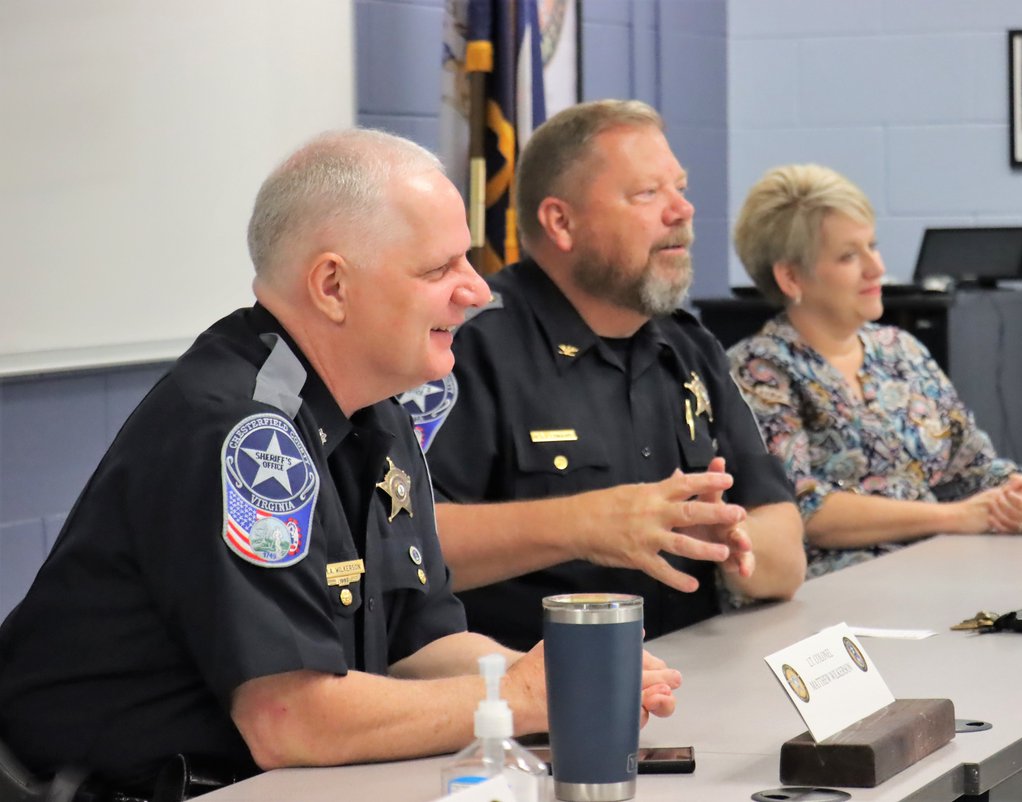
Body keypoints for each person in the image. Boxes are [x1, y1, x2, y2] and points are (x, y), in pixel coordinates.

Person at [0, 130, 678, 795]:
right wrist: (528, 699)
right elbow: (291, 721)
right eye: (440, 269)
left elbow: (421, 644)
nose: (477, 291)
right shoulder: (244, 432)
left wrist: (566, 677)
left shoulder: (376, 407)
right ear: (332, 286)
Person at [409, 100, 806, 651]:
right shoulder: (468, 346)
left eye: (681, 188)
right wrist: (586, 524)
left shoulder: (690, 346)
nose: (682, 211)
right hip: (535, 701)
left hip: (695, 680)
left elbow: (785, 553)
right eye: (647, 194)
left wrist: (730, 543)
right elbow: (404, 545)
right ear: (561, 222)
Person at [726, 164, 1022, 578]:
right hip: (837, 600)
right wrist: (956, 517)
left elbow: (972, 466)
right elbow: (800, 510)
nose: (876, 268)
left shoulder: (899, 349)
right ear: (791, 277)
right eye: (850, 255)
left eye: (873, 245)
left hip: (940, 575)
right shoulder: (759, 370)